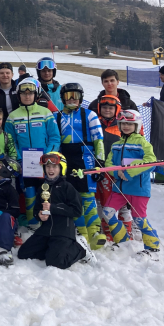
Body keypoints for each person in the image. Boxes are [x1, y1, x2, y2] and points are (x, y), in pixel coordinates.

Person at [16, 153, 93, 268]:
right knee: (23, 253)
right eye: (48, 166)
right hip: (45, 231)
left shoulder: (67, 187)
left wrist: (53, 208)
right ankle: (53, 251)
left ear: (61, 168)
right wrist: (39, 215)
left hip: (63, 231)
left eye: (54, 167)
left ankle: (80, 249)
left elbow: (77, 211)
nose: (50, 169)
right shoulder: (43, 187)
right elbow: (36, 210)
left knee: (56, 263)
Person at [5, 78, 61, 229]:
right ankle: (32, 223)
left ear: (36, 95)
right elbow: (10, 141)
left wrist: (48, 156)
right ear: (19, 96)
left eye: (30, 93)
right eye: (24, 94)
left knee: (45, 192)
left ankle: (46, 222)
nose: (27, 96)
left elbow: (54, 137)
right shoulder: (13, 116)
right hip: (25, 163)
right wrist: (18, 159)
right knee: (29, 192)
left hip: (45, 163)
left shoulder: (46, 113)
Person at [103, 110, 160, 258]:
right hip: (119, 188)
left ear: (137, 126)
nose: (126, 126)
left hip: (138, 189)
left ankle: (152, 247)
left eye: (130, 124)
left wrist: (129, 171)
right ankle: (123, 242)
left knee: (139, 219)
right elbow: (109, 163)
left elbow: (151, 162)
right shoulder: (116, 145)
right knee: (108, 212)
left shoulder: (142, 143)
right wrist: (117, 173)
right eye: (123, 124)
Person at [56, 83, 107, 251]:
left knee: (87, 196)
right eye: (68, 95)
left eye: (75, 95)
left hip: (85, 158)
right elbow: (55, 140)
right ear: (62, 98)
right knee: (72, 197)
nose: (72, 99)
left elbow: (99, 140)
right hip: (66, 159)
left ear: (81, 97)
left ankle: (94, 232)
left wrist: (100, 162)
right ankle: (82, 233)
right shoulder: (57, 116)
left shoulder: (90, 115)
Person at [94, 96, 133, 241]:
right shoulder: (95, 123)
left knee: (123, 202)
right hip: (102, 169)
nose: (107, 110)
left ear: (117, 109)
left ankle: (126, 230)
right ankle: (106, 229)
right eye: (104, 107)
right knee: (102, 200)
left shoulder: (123, 125)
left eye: (111, 108)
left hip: (120, 170)